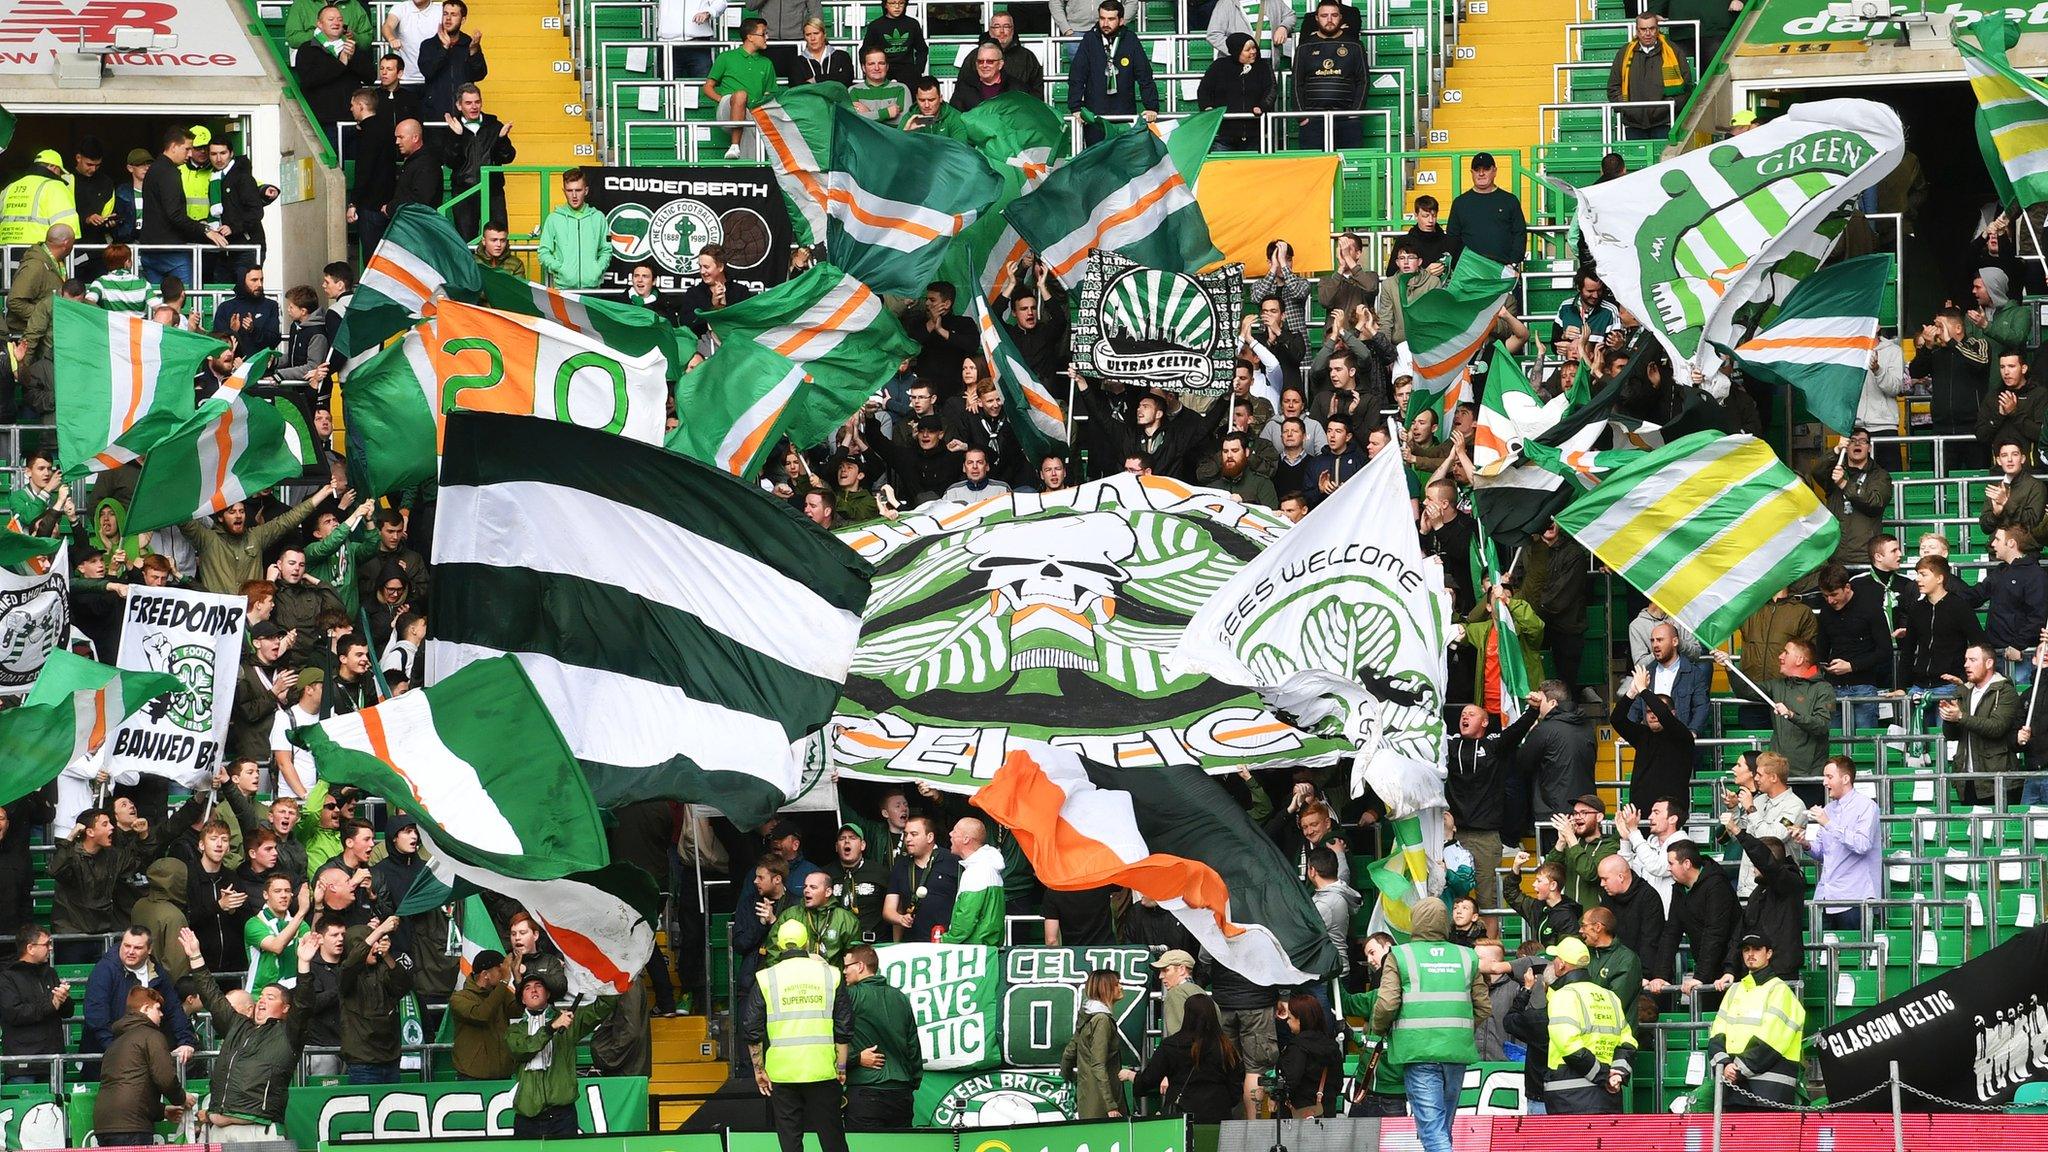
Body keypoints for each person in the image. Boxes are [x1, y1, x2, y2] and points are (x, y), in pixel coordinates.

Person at [178, 926, 315, 1142]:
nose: (262, 1000)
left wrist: (304, 965)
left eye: (271, 998)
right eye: (261, 996)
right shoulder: (238, 1025)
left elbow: (305, 1003)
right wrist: (195, 956)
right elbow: (212, 996)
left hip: (257, 1129)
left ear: (286, 1008)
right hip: (219, 1130)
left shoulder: (289, 1032)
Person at [1369, 897, 1486, 1148]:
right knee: (1442, 1129)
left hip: (1418, 1050)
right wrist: (1458, 1031)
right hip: (1455, 1051)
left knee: (1433, 1131)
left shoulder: (1400, 955)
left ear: (1415, 922)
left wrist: (1378, 1030)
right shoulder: (1467, 956)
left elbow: (1387, 1004)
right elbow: (1483, 1007)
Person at [746, 921, 851, 1152]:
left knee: (790, 1141)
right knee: (833, 1139)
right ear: (808, 943)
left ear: (778, 944)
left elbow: (751, 1029)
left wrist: (759, 1070)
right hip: (823, 1069)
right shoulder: (831, 975)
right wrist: (841, 1068)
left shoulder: (766, 977)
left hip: (782, 1074)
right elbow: (844, 1027)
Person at [508, 972, 617, 1136]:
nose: (534, 990)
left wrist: (605, 978)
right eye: (527, 988)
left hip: (562, 1116)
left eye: (539, 986)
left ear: (548, 994)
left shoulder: (568, 1021)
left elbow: (602, 1007)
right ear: (523, 999)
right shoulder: (515, 1030)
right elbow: (523, 1049)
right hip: (527, 1117)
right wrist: (551, 1027)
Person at [1537, 936, 1636, 1114]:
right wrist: (1617, 1073)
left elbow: (1568, 1045)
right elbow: (1628, 1042)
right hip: (1608, 1096)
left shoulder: (1563, 995)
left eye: (1555, 959)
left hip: (1568, 1095)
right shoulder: (1610, 996)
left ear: (1561, 965)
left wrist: (1603, 1076)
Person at [1707, 934, 1805, 1109]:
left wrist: (1736, 1068)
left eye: (1757, 949)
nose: (1750, 954)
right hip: (1735, 1085)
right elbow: (1717, 1033)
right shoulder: (1734, 990)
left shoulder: (1780, 990)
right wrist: (1724, 1064)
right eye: (1746, 949)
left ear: (1768, 953)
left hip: (1769, 1090)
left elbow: (1771, 1041)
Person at [1713, 641, 1834, 782]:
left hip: (1809, 777)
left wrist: (1791, 715)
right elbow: (1745, 690)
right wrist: (1729, 667)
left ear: (1800, 659)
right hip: (1778, 775)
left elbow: (1821, 726)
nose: (1780, 656)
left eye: (1786, 653)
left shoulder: (1823, 689)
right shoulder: (1777, 685)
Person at [93, 986, 193, 1146]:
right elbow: (165, 1078)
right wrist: (181, 1098)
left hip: (103, 1124)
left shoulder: (115, 1043)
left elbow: (131, 1085)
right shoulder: (152, 1036)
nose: (162, 1014)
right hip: (132, 1125)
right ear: (146, 1008)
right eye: (158, 1009)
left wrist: (162, 1111)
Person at [1121, 992, 1239, 1120]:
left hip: (1181, 1113)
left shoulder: (1171, 1045)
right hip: (1218, 1113)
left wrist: (1131, 1076)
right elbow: (1236, 1083)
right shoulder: (1225, 1046)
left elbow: (1149, 1079)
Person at [840, 944, 920, 1130]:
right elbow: (913, 1046)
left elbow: (835, 1038)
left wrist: (855, 1058)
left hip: (865, 1091)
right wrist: (912, 1082)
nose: (844, 972)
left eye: (846, 966)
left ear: (860, 966)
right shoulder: (900, 997)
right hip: (901, 1093)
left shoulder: (849, 996)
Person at [1961, 527, 2048, 691]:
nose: (1993, 544)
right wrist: (1946, 586)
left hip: (2021, 657)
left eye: (1997, 539)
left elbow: (2038, 616)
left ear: (2011, 543)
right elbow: (1975, 596)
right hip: (1996, 654)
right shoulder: (2000, 571)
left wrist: (2018, 645)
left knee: (2019, 702)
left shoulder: (2035, 575)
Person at [1067, 1, 1158, 146]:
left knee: (1123, 160)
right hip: (1095, 116)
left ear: (1121, 20)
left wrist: (1151, 106)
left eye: (1111, 19)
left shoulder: (1130, 40)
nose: (1105, 23)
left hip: (1124, 113)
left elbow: (1145, 76)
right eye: (1102, 18)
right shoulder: (1090, 39)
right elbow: (1077, 75)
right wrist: (1076, 107)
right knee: (1096, 162)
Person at [1941, 642, 2021, 803]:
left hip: (1998, 779)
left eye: (1972, 660)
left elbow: (1997, 728)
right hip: (1967, 779)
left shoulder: (2005, 691)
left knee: (1999, 828)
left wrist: (1960, 717)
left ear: (1989, 663)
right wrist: (1949, 718)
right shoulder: (1963, 691)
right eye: (1965, 660)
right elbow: (1951, 735)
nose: (1966, 665)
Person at [338, 915, 413, 1083]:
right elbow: (352, 962)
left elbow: (403, 986)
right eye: (371, 944)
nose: (376, 947)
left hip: (391, 1059)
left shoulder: (382, 968)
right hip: (363, 1063)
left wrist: (387, 956)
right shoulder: (346, 975)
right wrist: (380, 930)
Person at [1611, 667, 1696, 809]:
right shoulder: (1642, 735)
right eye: (1648, 711)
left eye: (1655, 710)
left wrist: (1644, 690)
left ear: (1673, 713)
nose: (1652, 714)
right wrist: (1632, 692)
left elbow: (1664, 716)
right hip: (1641, 815)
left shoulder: (1682, 735)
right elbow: (1616, 719)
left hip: (1671, 815)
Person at [441, 83, 514, 241]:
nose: (474, 107)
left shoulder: (494, 125)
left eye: (477, 102)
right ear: (459, 105)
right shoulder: (453, 128)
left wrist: (501, 140)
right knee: (467, 241)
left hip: (492, 191)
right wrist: (457, 137)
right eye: (468, 103)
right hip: (464, 192)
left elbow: (508, 157)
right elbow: (451, 162)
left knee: (498, 239)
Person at [1516, 681, 1599, 821]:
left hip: (1552, 813)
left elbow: (1522, 763)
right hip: (1585, 809)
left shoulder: (1544, 729)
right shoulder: (1587, 726)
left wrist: (1531, 733)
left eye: (1541, 701)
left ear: (1553, 703)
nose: (1538, 706)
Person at [0, 927, 72, 1082]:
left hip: (53, 1060)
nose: (51, 948)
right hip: (23, 1065)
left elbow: (67, 1012)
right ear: (30, 948)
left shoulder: (50, 973)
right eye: (46, 944)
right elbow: (15, 1013)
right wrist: (51, 1004)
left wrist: (64, 998)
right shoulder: (7, 978)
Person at [294, 7, 374, 143]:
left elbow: (370, 77)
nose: (336, 23)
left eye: (340, 19)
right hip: (324, 122)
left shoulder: (351, 47)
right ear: (319, 24)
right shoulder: (308, 49)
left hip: (352, 120)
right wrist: (341, 63)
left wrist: (353, 57)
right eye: (330, 19)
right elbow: (308, 81)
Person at [1607, 12, 1692, 140]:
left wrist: (1671, 105)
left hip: (1665, 122)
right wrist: (1627, 108)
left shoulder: (1673, 51)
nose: (1647, 33)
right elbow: (1613, 87)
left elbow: (1686, 86)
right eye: (1643, 29)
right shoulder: (1624, 53)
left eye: (1651, 28)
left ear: (1657, 29)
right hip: (1633, 124)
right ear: (1637, 30)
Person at [1293, 0, 1366, 150]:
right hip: (1313, 120)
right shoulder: (1304, 47)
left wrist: (1355, 113)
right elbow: (1296, 84)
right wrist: (1302, 117)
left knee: (1350, 168)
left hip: (1347, 119)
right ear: (1317, 18)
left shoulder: (1355, 46)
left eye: (1334, 15)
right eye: (1324, 16)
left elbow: (1363, 81)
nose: (1329, 20)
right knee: (1313, 169)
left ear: (1341, 17)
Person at [1812, 427, 1890, 566]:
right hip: (1835, 557)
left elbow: (1875, 503)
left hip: (1864, 557)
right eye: (1852, 441)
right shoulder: (1835, 471)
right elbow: (1816, 471)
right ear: (1846, 447)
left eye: (1863, 441)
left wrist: (1844, 484)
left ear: (1869, 448)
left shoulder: (1879, 475)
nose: (1857, 444)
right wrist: (1836, 450)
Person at [704, 19, 778, 159]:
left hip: (752, 111)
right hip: (727, 107)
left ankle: (746, 172)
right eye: (763, 34)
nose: (767, 37)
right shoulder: (726, 57)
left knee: (751, 128)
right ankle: (734, 145)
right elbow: (708, 87)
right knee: (740, 95)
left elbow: (769, 94)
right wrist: (722, 99)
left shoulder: (767, 63)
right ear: (750, 37)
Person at [1061, 968, 1126, 1117]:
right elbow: (1098, 1064)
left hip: (1087, 1099)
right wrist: (1111, 1105)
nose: (1121, 987)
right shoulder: (1102, 1020)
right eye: (1116, 984)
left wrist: (1070, 1078)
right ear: (1105, 988)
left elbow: (1069, 1053)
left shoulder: (1087, 1016)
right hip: (1102, 1105)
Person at [1446, 152, 1527, 267]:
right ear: (1471, 172)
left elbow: (1519, 233)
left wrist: (1513, 263)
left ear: (1494, 171)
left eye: (1486, 169)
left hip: (1503, 270)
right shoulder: (1460, 203)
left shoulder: (1510, 201)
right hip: (1470, 272)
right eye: (1477, 169)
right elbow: (1452, 238)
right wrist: (1461, 266)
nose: (1481, 173)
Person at [939, 817, 1006, 944]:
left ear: (966, 839)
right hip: (987, 947)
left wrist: (947, 940)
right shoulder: (988, 866)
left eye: (955, 831)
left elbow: (966, 916)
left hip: (973, 951)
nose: (950, 834)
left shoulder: (977, 871)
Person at [416, 0, 488, 118]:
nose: (448, 18)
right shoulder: (428, 45)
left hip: (463, 115)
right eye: (445, 14)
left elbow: (479, 75)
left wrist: (474, 52)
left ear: (463, 20)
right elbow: (428, 71)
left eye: (453, 15)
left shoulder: (469, 44)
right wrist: (444, 48)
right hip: (435, 113)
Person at [537, 168, 606, 289]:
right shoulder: (553, 219)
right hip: (563, 290)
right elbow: (543, 252)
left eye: (578, 190)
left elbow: (606, 249)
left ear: (586, 190)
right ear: (564, 191)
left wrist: (597, 269)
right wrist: (560, 269)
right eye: (569, 190)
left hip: (592, 290)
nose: (574, 195)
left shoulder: (598, 217)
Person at [859, 0, 926, 86]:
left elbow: (922, 49)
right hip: (882, 68)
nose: (897, 6)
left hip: (907, 70)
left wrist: (917, 71)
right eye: (892, 3)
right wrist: (869, 71)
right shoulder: (875, 26)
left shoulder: (912, 24)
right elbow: (865, 51)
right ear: (885, 5)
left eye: (901, 3)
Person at [656, 0, 726, 77]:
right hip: (668, 44)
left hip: (698, 44)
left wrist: (708, 12)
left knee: (702, 85)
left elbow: (721, 2)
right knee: (669, 87)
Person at [388, 118, 444, 213]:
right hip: (410, 221)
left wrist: (391, 208)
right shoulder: (413, 161)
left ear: (415, 138)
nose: (397, 142)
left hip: (419, 223)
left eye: (401, 137)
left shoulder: (427, 164)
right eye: (396, 138)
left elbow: (420, 200)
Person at [785, 17, 854, 87]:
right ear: (804, 37)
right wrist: (832, 77)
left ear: (824, 35)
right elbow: (797, 88)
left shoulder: (842, 56)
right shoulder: (797, 62)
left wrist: (815, 79)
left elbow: (846, 80)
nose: (812, 38)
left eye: (816, 33)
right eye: (808, 35)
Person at [949, 40, 1014, 110]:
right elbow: (955, 115)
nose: (984, 65)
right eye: (980, 61)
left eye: (990, 62)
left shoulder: (1015, 88)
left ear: (1000, 64)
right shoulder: (964, 88)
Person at [850, 46, 910, 122]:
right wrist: (886, 113)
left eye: (881, 63)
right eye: (871, 64)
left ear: (887, 67)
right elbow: (854, 122)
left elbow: (904, 123)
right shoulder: (853, 91)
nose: (877, 68)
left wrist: (868, 114)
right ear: (863, 68)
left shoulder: (901, 89)